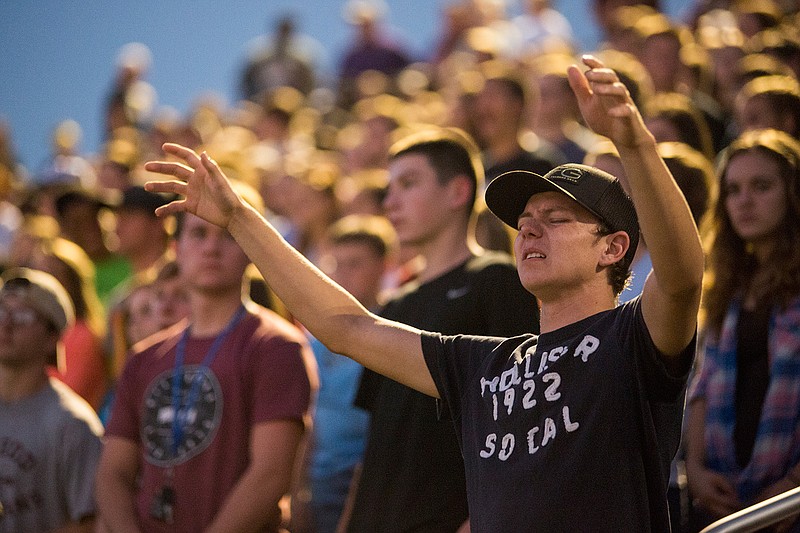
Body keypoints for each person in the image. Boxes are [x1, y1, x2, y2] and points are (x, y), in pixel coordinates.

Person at [144, 55, 704, 531]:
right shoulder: (483, 363)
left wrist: (632, 141)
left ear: (613, 248)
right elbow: (347, 328)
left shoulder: (632, 336)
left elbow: (681, 278)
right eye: (524, 220)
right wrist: (241, 219)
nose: (529, 229)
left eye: (556, 219)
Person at [94, 181, 316, 531]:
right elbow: (113, 473)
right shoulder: (143, 357)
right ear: (176, 248)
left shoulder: (276, 347)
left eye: (228, 235)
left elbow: (271, 474)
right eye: (198, 234)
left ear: (251, 248)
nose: (212, 247)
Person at [684, 129, 800, 531]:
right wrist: (696, 471)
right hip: (723, 495)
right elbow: (702, 383)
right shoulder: (727, 285)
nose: (744, 201)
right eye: (733, 190)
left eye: (761, 186)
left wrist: (791, 488)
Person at [300, 214, 397, 533]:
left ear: (384, 265)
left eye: (355, 264)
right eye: (336, 263)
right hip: (316, 483)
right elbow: (306, 419)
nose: (342, 274)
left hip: (371, 484)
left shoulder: (398, 337)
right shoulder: (314, 337)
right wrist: (297, 492)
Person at [0, 267, 104, 532]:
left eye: (22, 315)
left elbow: (91, 523)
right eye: (1, 311)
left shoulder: (73, 425)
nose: (6, 323)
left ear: (52, 338)